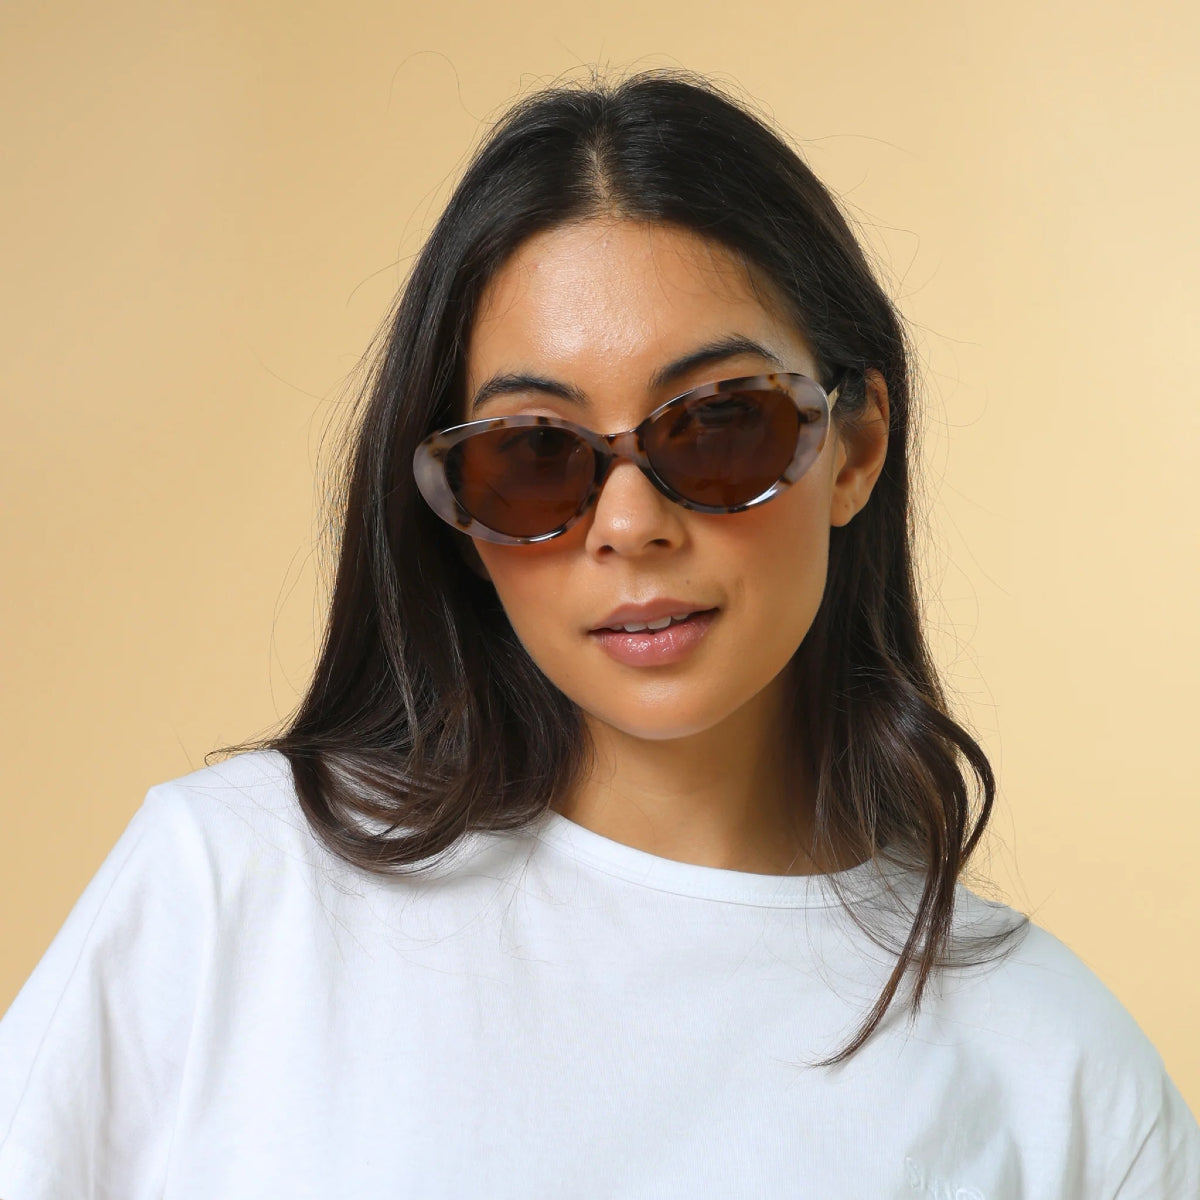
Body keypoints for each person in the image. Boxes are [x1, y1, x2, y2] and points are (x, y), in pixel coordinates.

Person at [1, 68, 1197, 1199]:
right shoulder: (231, 893)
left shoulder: (1056, 1071)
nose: (628, 526)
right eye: (533, 454)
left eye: (716, 424)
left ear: (855, 448)